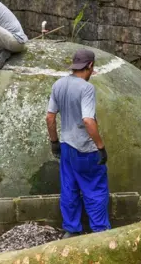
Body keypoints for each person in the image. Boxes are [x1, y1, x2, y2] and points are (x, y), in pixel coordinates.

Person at [45, 49, 110, 239]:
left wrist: (54, 142)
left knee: (69, 187)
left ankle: (72, 229)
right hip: (85, 148)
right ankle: (100, 232)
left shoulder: (58, 84)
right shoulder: (86, 88)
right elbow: (88, 121)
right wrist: (101, 147)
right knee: (95, 189)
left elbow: (50, 117)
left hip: (66, 146)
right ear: (90, 65)